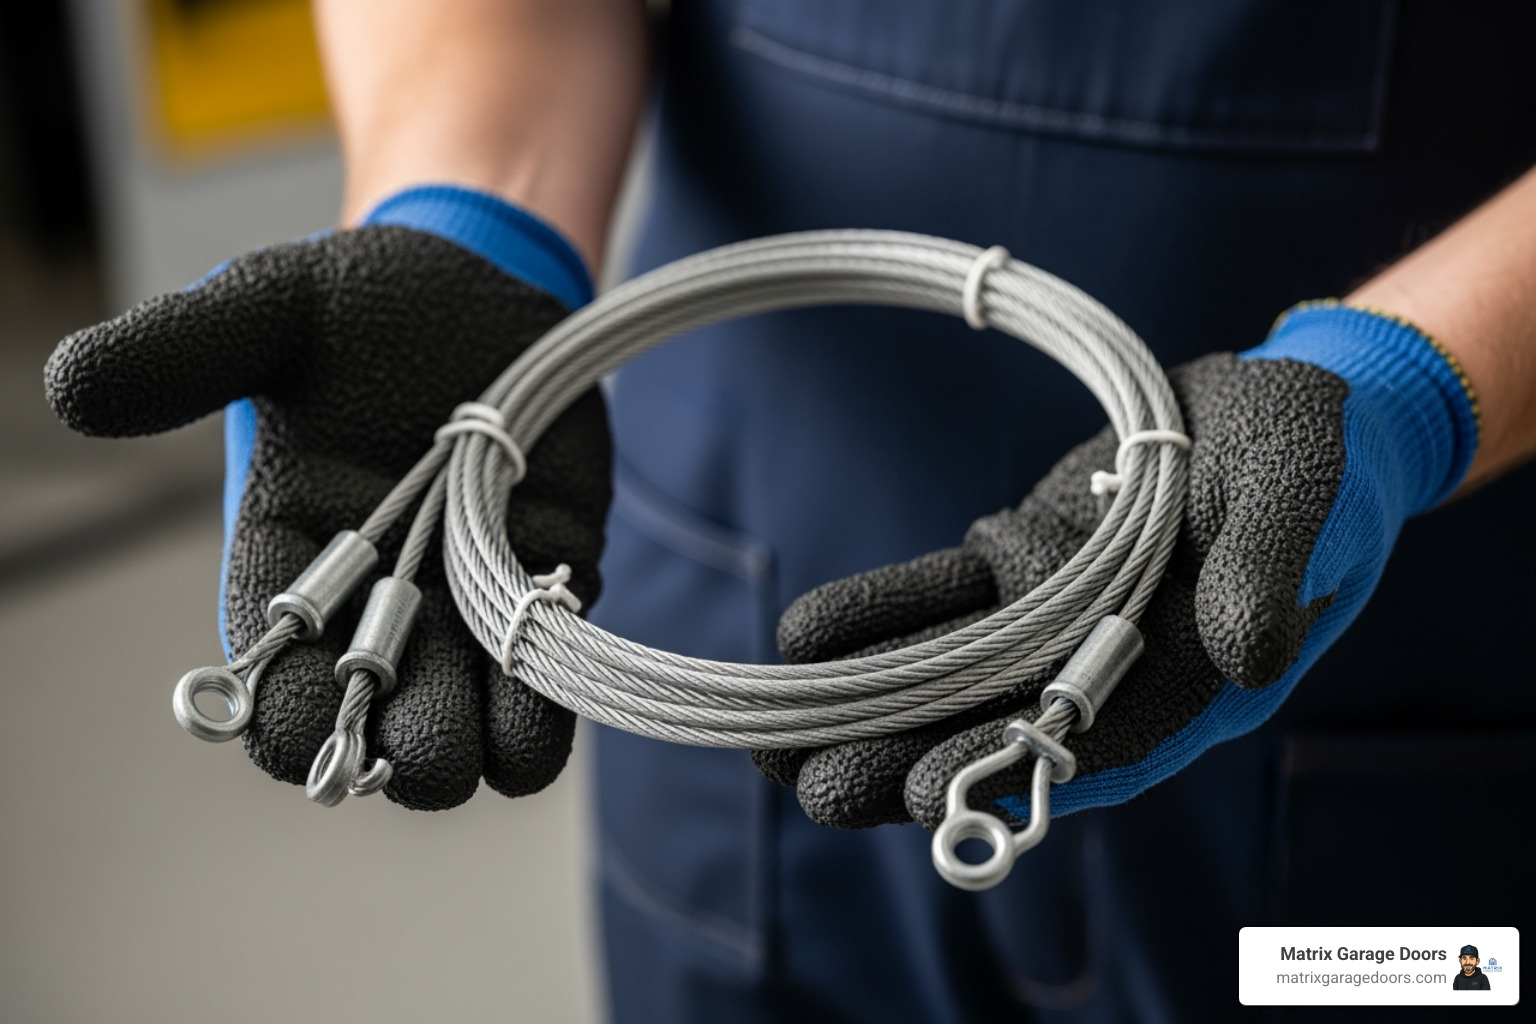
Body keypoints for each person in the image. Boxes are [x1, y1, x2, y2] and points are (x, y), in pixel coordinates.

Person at [43, 1, 1536, 1020]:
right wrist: (470, 204)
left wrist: (1409, 385)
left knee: (1402, 976)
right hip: (732, 572)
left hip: (1390, 660)